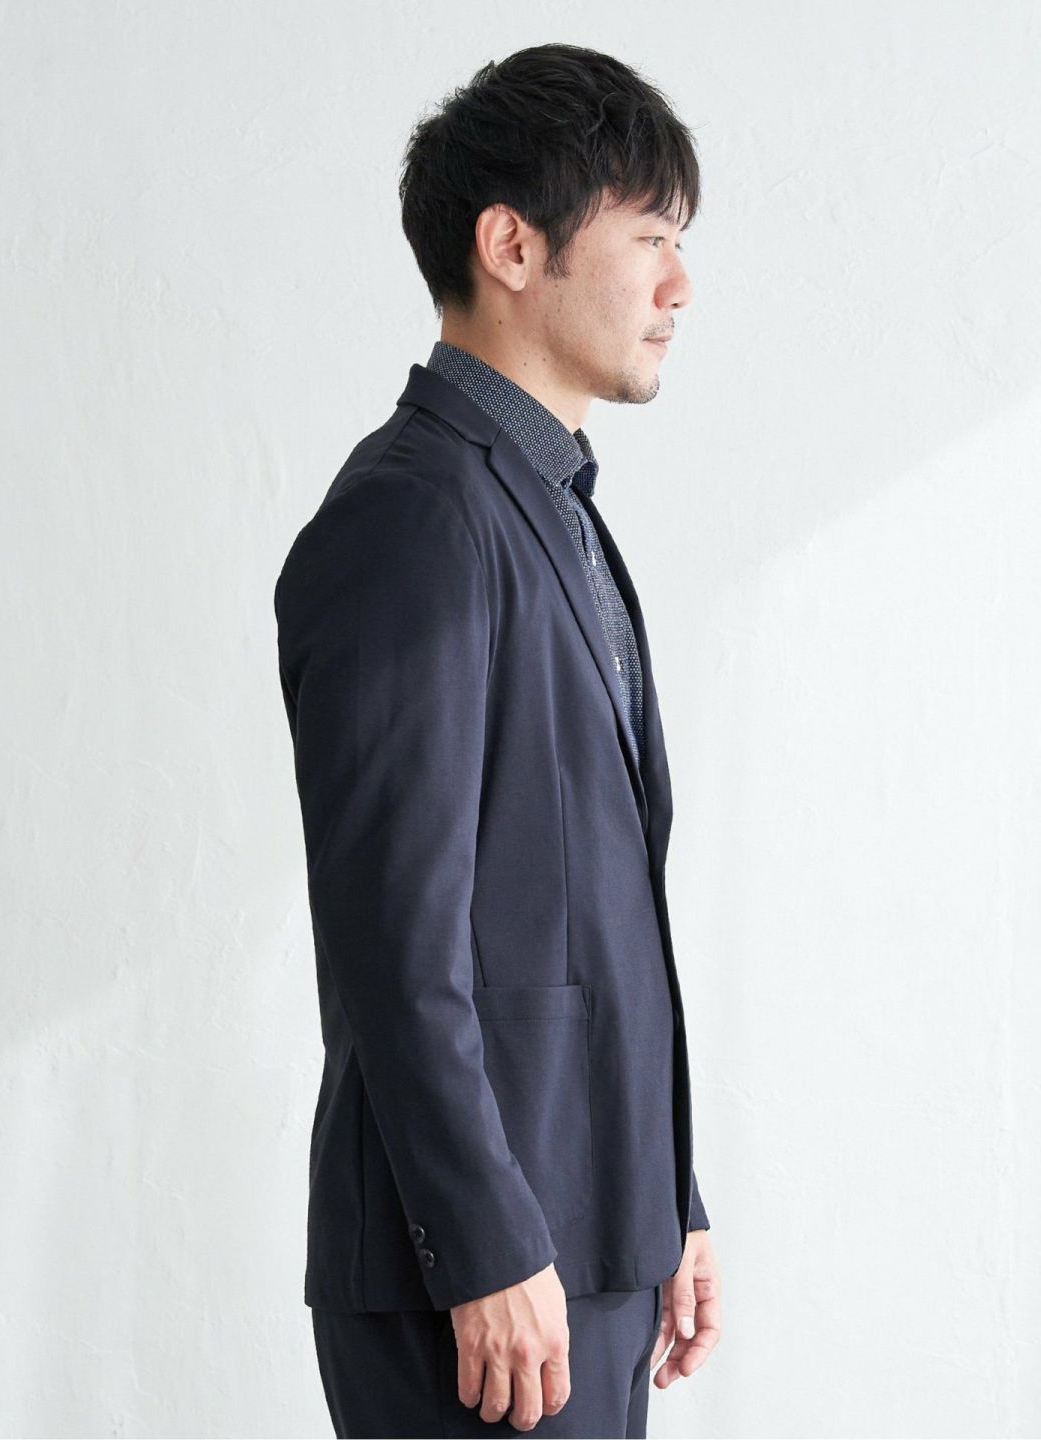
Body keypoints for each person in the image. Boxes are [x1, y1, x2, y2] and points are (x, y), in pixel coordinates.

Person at [273, 41, 721, 1438]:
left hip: (585, 1248)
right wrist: (482, 1241)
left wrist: (670, 1201)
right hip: (480, 1278)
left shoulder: (551, 511)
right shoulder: (413, 519)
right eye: (650, 236)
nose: (680, 285)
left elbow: (594, 920)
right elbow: (394, 934)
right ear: (512, 245)